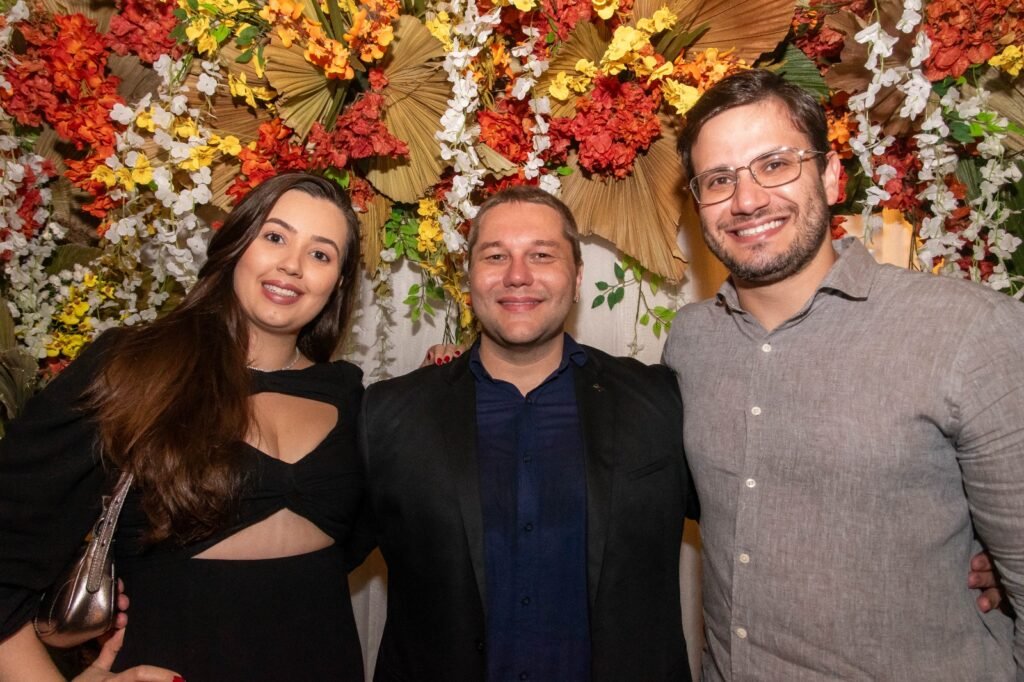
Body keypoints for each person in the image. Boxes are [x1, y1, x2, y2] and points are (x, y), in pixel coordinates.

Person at [663, 68, 1024, 680]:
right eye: (719, 180)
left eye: (775, 164)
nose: (747, 200)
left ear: (830, 176)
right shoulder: (691, 341)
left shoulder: (969, 330)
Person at [0, 172, 366, 681]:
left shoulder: (348, 393)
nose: (292, 264)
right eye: (275, 236)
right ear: (237, 244)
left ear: (338, 283)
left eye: (321, 254)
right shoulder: (135, 367)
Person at [358, 185, 698, 681]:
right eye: (496, 256)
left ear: (577, 279)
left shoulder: (661, 402)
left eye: (542, 255)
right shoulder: (388, 414)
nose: (517, 275)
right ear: (469, 277)